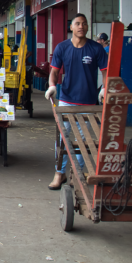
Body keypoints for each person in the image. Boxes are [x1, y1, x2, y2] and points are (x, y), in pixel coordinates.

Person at [45, 14, 108, 190]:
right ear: (71, 27)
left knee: (83, 141)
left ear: (87, 27)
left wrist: (104, 88)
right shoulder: (62, 47)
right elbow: (54, 72)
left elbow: (106, 72)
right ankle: (60, 173)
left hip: (88, 102)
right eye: (78, 24)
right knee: (62, 140)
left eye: (84, 24)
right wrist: (52, 86)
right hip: (66, 101)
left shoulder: (96, 49)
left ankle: (77, 174)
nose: (81, 26)